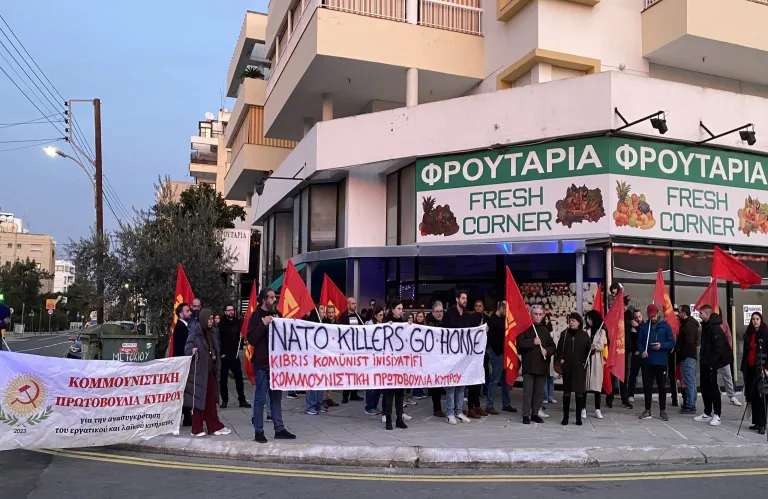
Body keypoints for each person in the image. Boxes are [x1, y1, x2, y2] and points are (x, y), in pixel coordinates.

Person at [247, 288, 297, 443]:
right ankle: (259, 432)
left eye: (274, 297)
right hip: (262, 364)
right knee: (260, 399)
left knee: (276, 399)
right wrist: (263, 324)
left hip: (276, 365)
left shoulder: (277, 315)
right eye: (271, 298)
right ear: (264, 300)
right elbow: (252, 339)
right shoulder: (255, 316)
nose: (274, 300)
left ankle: (279, 429)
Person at [184, 309, 231, 437]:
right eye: (210, 319)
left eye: (212, 318)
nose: (212, 321)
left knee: (211, 399)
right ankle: (197, 428)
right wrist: (191, 351)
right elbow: (187, 348)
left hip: (211, 370)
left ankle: (214, 426)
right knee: (199, 399)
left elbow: (216, 347)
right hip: (199, 371)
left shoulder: (213, 332)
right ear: (204, 319)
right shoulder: (195, 331)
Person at [517, 304, 556, 424]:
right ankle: (525, 415)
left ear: (543, 315)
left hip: (542, 366)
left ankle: (535, 413)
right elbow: (519, 345)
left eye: (540, 314)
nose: (538, 316)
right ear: (531, 315)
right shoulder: (525, 329)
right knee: (527, 392)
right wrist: (532, 342)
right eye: (535, 314)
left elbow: (553, 346)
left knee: (538, 393)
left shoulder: (545, 331)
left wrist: (547, 351)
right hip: (529, 366)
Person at [695, 304, 732, 427]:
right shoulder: (705, 326)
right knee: (705, 387)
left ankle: (717, 415)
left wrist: (712, 363)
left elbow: (719, 347)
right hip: (704, 361)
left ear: (706, 313)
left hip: (711, 363)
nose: (699, 315)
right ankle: (707, 412)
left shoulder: (714, 327)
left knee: (713, 388)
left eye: (701, 313)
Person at [637, 304, 675, 421]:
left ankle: (662, 410)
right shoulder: (645, 327)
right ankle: (647, 409)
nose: (652, 318)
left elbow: (672, 342)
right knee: (647, 386)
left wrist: (662, 346)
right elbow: (639, 342)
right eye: (650, 316)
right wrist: (642, 351)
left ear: (658, 314)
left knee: (661, 387)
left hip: (661, 360)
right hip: (647, 361)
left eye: (654, 316)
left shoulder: (665, 326)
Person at [443, 291, 473, 425]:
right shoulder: (449, 313)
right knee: (452, 385)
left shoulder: (467, 315)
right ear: (457, 299)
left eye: (466, 298)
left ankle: (459, 411)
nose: (465, 300)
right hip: (451, 353)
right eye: (463, 298)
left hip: (463, 354)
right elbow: (443, 330)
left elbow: (471, 331)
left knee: (462, 384)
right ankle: (450, 413)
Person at [556, 312, 591, 425]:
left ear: (579, 323)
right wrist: (562, 360)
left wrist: (593, 349)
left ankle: (578, 418)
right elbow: (559, 350)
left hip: (580, 368)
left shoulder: (584, 335)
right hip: (567, 368)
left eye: (574, 321)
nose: (571, 323)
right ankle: (565, 417)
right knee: (566, 393)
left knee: (579, 394)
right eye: (570, 320)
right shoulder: (564, 334)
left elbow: (589, 351)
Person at [217, 304, 250, 409]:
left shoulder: (238, 322)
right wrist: (221, 353)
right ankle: (225, 400)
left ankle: (242, 399)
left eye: (232, 310)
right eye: (229, 310)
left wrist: (242, 335)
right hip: (224, 355)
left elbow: (242, 334)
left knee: (239, 378)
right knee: (223, 379)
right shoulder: (221, 324)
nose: (231, 312)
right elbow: (218, 340)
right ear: (225, 312)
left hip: (235, 355)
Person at [382, 300, 408, 430]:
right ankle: (388, 419)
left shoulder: (403, 324)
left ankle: (399, 418)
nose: (400, 311)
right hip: (389, 364)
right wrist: (387, 327)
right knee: (389, 393)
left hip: (401, 363)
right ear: (392, 310)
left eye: (401, 309)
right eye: (398, 308)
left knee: (400, 393)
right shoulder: (386, 323)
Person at [742, 312, 768, 434]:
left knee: (761, 396)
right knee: (752, 396)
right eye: (753, 319)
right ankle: (756, 422)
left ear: (761, 320)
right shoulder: (749, 333)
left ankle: (762, 423)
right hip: (750, 368)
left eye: (757, 319)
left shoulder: (765, 333)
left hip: (761, 368)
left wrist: (766, 368)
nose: (755, 321)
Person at [485, 300, 513, 415]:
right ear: (501, 309)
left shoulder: (503, 320)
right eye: (506, 310)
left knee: (506, 381)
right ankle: (489, 405)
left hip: (505, 353)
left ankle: (506, 403)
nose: (507, 313)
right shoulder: (492, 320)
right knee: (495, 380)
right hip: (497, 353)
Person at [339, 297, 365, 404]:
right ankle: (345, 395)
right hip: (348, 349)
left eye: (355, 303)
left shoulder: (358, 316)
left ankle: (354, 394)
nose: (355, 305)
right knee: (348, 373)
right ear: (348, 305)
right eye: (353, 303)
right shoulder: (343, 317)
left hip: (357, 349)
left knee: (356, 372)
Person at [465, 299, 487, 418]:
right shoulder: (473, 318)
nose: (478, 308)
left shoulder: (485, 318)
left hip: (482, 354)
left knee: (479, 380)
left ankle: (477, 405)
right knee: (473, 381)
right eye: (476, 306)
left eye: (480, 306)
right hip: (472, 354)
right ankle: (470, 407)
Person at [676, 305, 700, 414]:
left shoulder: (688, 325)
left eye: (679, 312)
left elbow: (689, 342)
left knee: (689, 380)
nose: (678, 314)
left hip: (687, 356)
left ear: (684, 313)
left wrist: (682, 352)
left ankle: (690, 404)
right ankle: (690, 402)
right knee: (691, 380)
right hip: (689, 356)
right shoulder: (688, 324)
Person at [583, 310, 606, 420]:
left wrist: (592, 346)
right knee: (584, 384)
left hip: (596, 360)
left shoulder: (601, 331)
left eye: (589, 318)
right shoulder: (585, 330)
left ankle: (598, 409)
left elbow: (601, 346)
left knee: (597, 385)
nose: (588, 320)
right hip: (586, 359)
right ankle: (583, 408)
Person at [426, 301, 448, 417]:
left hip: (445, 357)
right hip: (434, 359)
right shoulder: (430, 325)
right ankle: (437, 408)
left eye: (441, 311)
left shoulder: (446, 323)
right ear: (433, 313)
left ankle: (451, 407)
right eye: (437, 312)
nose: (439, 313)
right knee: (436, 385)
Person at [173, 303, 193, 427]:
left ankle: (187, 415)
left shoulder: (186, 326)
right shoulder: (180, 327)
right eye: (187, 311)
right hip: (183, 363)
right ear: (181, 314)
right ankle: (186, 415)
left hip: (184, 362)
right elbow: (182, 347)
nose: (190, 313)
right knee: (184, 390)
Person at [364, 306, 385, 415]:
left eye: (383, 315)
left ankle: (375, 405)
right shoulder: (369, 325)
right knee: (371, 385)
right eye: (380, 315)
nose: (382, 317)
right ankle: (369, 407)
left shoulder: (382, 325)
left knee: (378, 385)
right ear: (375, 315)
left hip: (380, 359)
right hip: (371, 359)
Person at [717, 318, 742, 407]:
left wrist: (728, 349)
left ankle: (732, 396)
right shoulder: (708, 323)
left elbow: (729, 336)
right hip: (714, 355)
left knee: (727, 375)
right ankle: (717, 394)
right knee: (713, 376)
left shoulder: (723, 323)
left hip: (723, 354)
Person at [627, 308, 644, 403]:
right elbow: (632, 341)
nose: (638, 319)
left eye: (639, 316)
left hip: (644, 353)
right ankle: (630, 394)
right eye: (636, 317)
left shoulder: (645, 326)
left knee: (647, 375)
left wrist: (638, 327)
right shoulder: (631, 327)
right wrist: (635, 350)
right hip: (636, 354)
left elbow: (645, 338)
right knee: (633, 375)